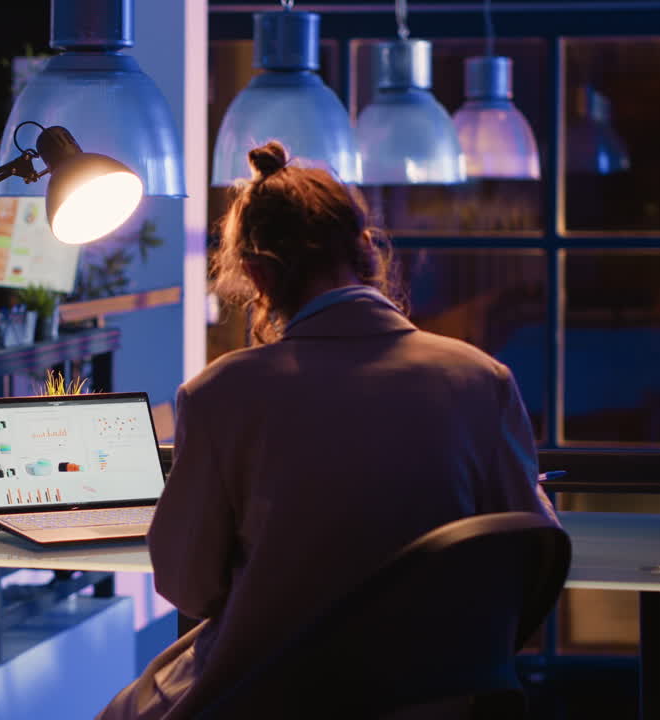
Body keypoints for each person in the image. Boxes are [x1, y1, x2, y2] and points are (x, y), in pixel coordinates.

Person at [97, 142, 556, 720]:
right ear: (366, 251)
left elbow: (188, 587)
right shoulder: (480, 379)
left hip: (268, 697)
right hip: (435, 701)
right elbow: (526, 556)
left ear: (259, 277)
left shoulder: (221, 395)